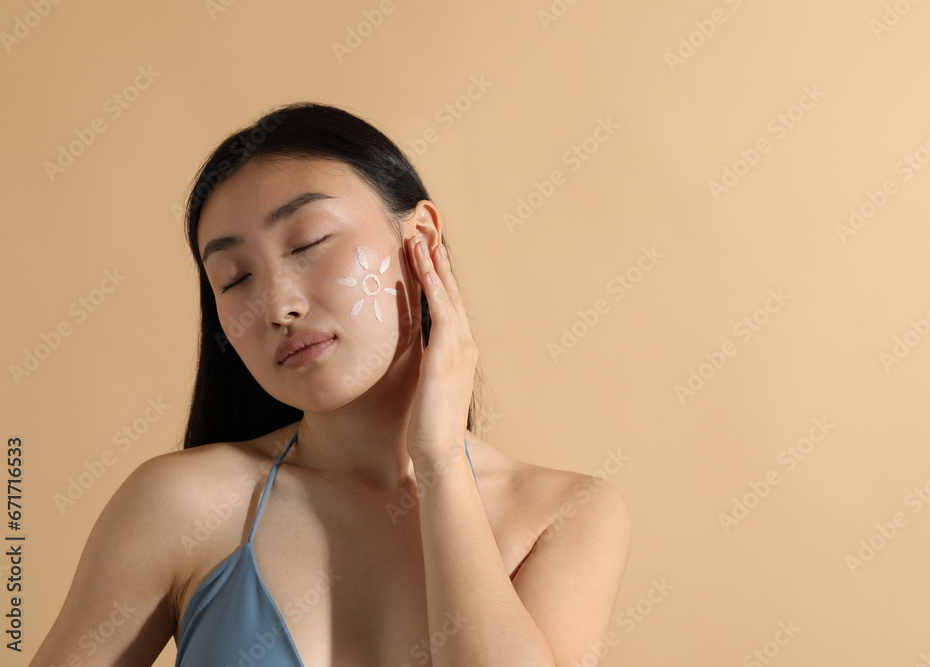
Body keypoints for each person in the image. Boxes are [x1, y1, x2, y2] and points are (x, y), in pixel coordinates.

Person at [32, 102, 631, 666]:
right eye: (234, 278)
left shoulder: (565, 516)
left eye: (310, 242)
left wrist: (440, 458)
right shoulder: (181, 505)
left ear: (420, 239)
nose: (276, 305)